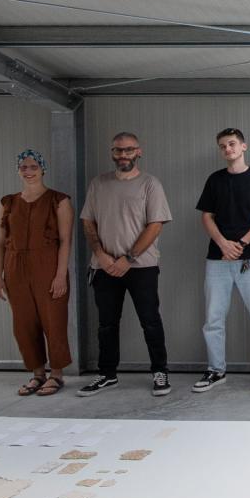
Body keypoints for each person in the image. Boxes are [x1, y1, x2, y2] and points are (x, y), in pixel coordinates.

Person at [77, 132, 173, 398]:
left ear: (138, 152)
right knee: (106, 324)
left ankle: (160, 371)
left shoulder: (150, 184)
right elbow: (88, 221)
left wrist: (128, 259)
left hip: (141, 267)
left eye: (129, 150)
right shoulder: (98, 183)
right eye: (118, 150)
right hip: (104, 267)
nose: (123, 155)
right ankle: (107, 374)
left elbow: (155, 225)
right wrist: (101, 255)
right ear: (112, 153)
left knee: (150, 321)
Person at [194, 128, 250, 394]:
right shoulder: (215, 180)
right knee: (213, 318)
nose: (227, 149)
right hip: (218, 259)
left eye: (232, 144)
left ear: (243, 146)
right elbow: (207, 216)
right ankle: (216, 370)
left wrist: (241, 243)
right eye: (222, 146)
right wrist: (223, 243)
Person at [0, 148, 72, 396]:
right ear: (18, 170)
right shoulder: (7, 202)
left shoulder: (59, 200)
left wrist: (60, 275)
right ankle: (38, 373)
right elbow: (0, 241)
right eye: (23, 167)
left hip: (47, 265)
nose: (28, 171)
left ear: (42, 169)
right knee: (23, 322)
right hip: (15, 267)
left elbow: (66, 240)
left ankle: (56, 374)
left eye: (33, 167)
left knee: (53, 320)